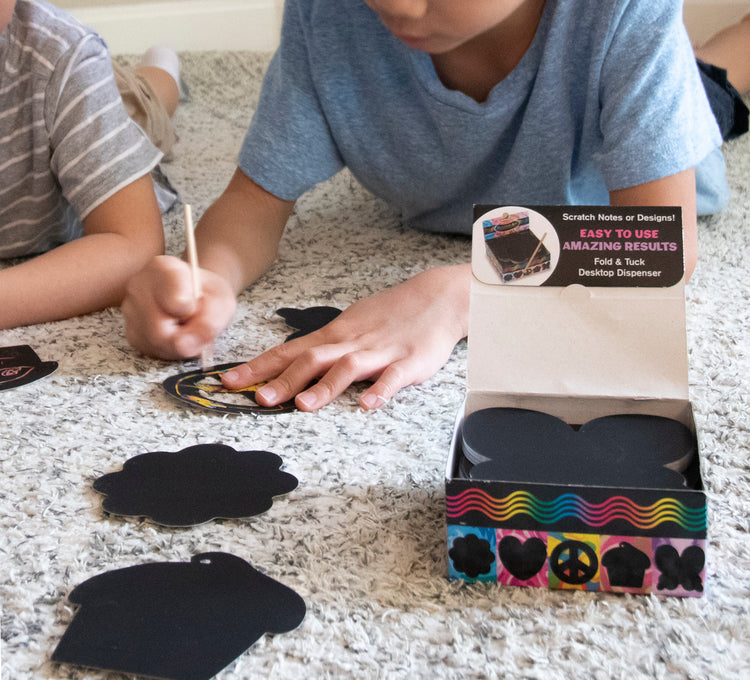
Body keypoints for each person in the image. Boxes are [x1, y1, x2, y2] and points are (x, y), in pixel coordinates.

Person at [122, 0, 750, 412]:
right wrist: (207, 278)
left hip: (605, 174)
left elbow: (658, 245)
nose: (395, 5)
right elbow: (251, 206)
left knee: (713, 87)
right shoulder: (329, 13)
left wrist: (465, 290)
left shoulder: (625, 12)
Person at [0, 0, 181, 329]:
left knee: (147, 102)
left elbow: (135, 246)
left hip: (80, 100)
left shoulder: (61, 55)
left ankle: (163, 62)